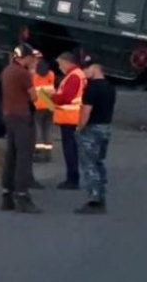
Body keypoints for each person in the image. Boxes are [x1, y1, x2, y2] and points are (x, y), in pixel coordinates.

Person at [0, 43, 42, 213]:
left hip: (8, 116)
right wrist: (32, 72)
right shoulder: (23, 74)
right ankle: (22, 195)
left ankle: (7, 194)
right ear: (25, 58)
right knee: (24, 156)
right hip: (22, 117)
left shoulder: (7, 71)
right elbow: (34, 95)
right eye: (32, 58)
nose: (33, 61)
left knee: (11, 154)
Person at [74, 53, 116, 214]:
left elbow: (86, 112)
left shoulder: (91, 88)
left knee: (89, 164)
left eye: (86, 68)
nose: (84, 71)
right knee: (99, 162)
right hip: (105, 128)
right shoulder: (110, 87)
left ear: (96, 67)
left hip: (91, 130)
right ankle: (101, 195)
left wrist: (79, 128)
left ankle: (94, 200)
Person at [51, 50, 87, 190]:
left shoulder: (73, 76)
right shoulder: (77, 75)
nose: (59, 67)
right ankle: (72, 178)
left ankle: (72, 179)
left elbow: (66, 97)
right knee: (72, 149)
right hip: (73, 117)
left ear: (67, 62)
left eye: (60, 64)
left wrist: (52, 98)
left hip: (69, 118)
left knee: (70, 150)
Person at [31, 50, 55, 163]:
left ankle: (39, 154)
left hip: (38, 106)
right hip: (49, 105)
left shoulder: (33, 75)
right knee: (47, 130)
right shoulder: (51, 74)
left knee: (38, 130)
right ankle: (48, 154)